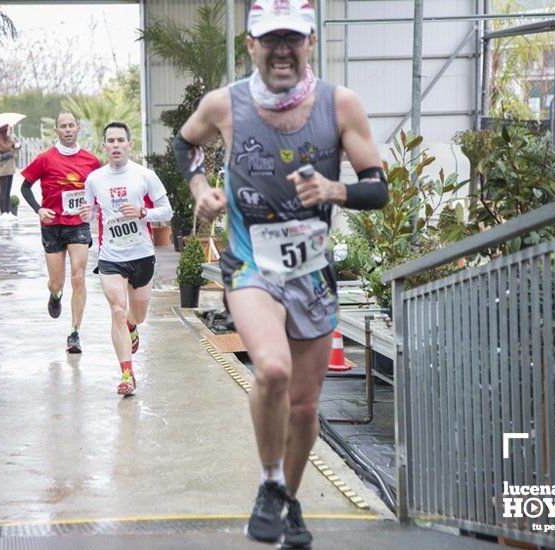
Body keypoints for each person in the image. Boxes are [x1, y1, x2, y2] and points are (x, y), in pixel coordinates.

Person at [174, 0, 389, 546]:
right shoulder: (225, 104)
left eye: (294, 39)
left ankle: (290, 501)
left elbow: (377, 186)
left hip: (313, 274)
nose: (283, 50)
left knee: (304, 407)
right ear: (251, 46)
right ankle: (271, 483)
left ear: (310, 43)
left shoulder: (340, 106)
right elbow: (185, 142)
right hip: (251, 266)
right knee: (271, 371)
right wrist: (202, 192)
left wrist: (335, 189)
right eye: (271, 40)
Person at [79, 122, 172, 396]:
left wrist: (143, 212)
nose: (116, 145)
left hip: (142, 254)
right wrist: (85, 214)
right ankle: (127, 375)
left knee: (137, 315)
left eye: (121, 140)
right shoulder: (95, 179)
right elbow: (88, 214)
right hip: (110, 257)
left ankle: (133, 326)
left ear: (130, 145)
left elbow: (167, 212)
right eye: (111, 141)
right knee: (117, 311)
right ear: (104, 146)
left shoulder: (145, 176)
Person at [20, 112, 101, 353]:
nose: (67, 129)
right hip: (52, 225)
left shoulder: (91, 161)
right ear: (56, 131)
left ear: (78, 129)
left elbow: (98, 192)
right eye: (63, 126)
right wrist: (39, 209)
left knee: (78, 276)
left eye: (71, 125)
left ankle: (75, 332)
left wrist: (92, 208)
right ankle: (55, 295)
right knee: (57, 282)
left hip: (78, 224)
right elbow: (25, 187)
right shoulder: (45, 159)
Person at [0, 124, 19, 221]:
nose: (9, 131)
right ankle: (3, 213)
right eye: (8, 129)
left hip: (10, 169)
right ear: (3, 130)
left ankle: (8, 211)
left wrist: (15, 147)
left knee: (8, 192)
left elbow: (12, 148)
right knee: (3, 191)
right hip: (2, 169)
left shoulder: (8, 139)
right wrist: (10, 154)